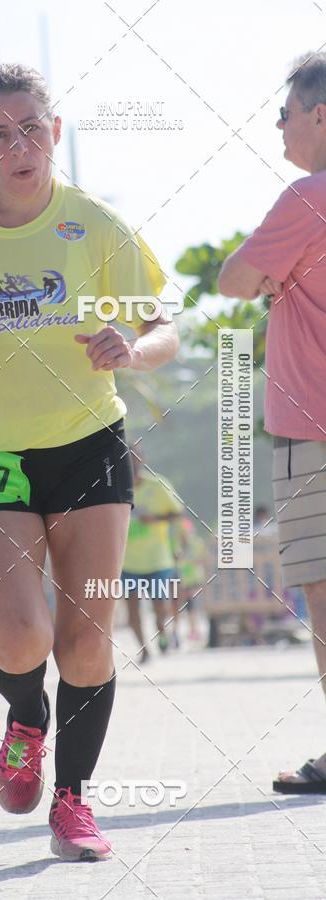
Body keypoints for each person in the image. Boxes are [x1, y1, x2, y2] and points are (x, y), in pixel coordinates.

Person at [0, 62, 179, 860]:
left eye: (30, 127)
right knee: (21, 639)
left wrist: (135, 347)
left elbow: (164, 331)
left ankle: (73, 802)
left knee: (87, 642)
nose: (17, 144)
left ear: (55, 132)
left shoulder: (95, 224)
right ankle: (26, 719)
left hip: (86, 438)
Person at [218, 52, 326, 793]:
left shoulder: (308, 197)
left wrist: (272, 278)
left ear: (321, 116)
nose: (277, 124)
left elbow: (233, 281)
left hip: (313, 427)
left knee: (323, 590)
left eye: (284, 111)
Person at [120, 452, 184, 658]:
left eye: (134, 458)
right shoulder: (114, 487)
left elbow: (178, 513)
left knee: (160, 608)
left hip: (157, 560)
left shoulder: (158, 485)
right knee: (132, 611)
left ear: (142, 460)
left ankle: (162, 633)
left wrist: (155, 518)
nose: (131, 463)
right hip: (126, 562)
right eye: (126, 459)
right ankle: (144, 650)